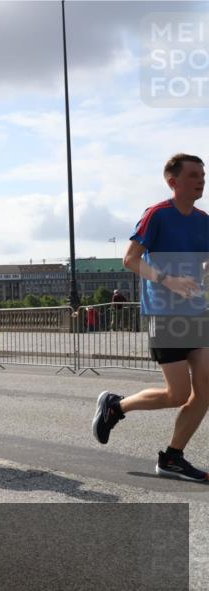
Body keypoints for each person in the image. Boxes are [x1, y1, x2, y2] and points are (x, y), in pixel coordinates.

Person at [93, 153, 209, 482]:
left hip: (197, 312)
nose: (201, 180)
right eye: (192, 175)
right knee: (176, 394)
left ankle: (173, 458)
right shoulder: (157, 215)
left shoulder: (204, 221)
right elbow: (130, 260)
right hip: (164, 312)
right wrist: (168, 280)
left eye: (203, 174)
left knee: (205, 388)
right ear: (173, 182)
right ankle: (116, 407)